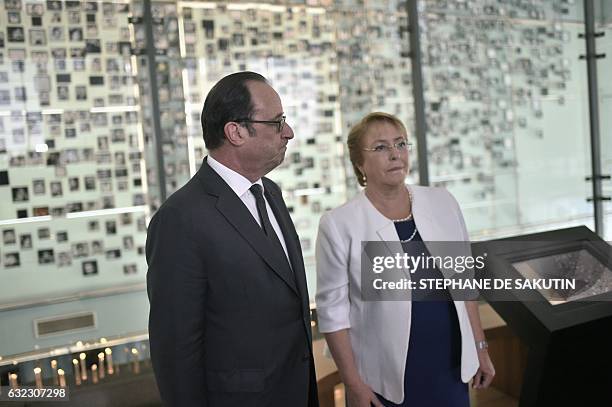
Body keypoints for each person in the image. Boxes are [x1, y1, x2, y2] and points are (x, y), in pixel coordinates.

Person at [146, 71, 318, 407]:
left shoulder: (270, 193)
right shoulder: (180, 219)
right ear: (235, 131)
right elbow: (176, 350)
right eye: (277, 122)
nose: (289, 132)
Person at [315, 112, 495, 407]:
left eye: (400, 144)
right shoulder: (340, 223)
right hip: (384, 377)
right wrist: (353, 383)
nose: (395, 154)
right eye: (381, 147)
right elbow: (332, 313)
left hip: (449, 365)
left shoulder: (443, 202)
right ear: (359, 162)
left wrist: (480, 347)